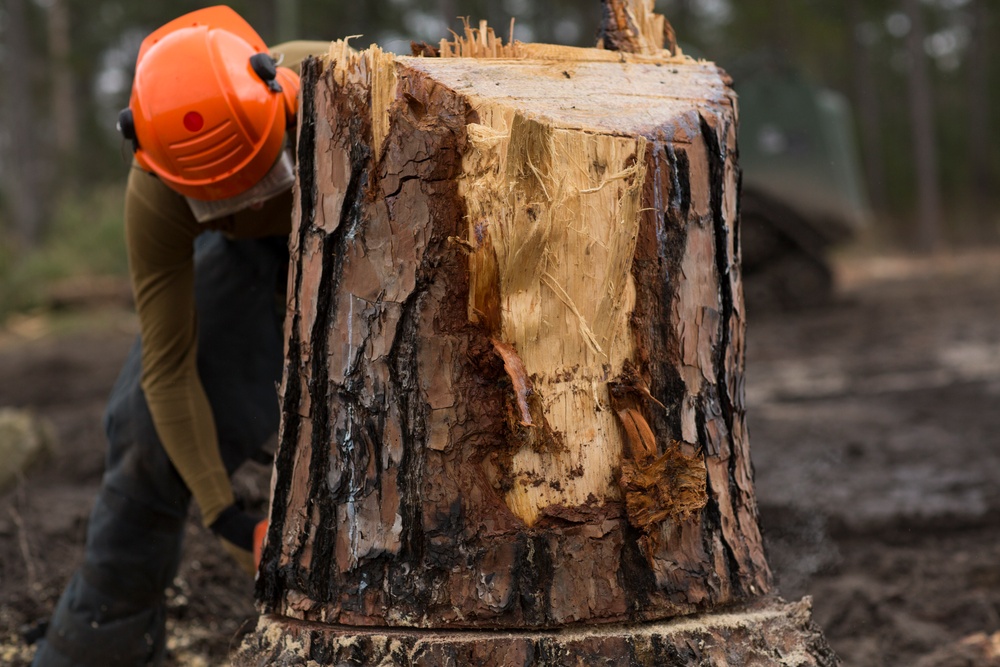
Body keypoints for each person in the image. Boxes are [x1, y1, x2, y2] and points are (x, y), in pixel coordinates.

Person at [32, 7, 329, 666]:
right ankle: (97, 641)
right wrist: (225, 514)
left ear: (274, 92)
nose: (250, 202)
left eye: (259, 179)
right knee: (141, 426)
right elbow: (168, 366)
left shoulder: (336, 80)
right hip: (258, 264)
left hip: (386, 228)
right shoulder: (156, 189)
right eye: (227, 200)